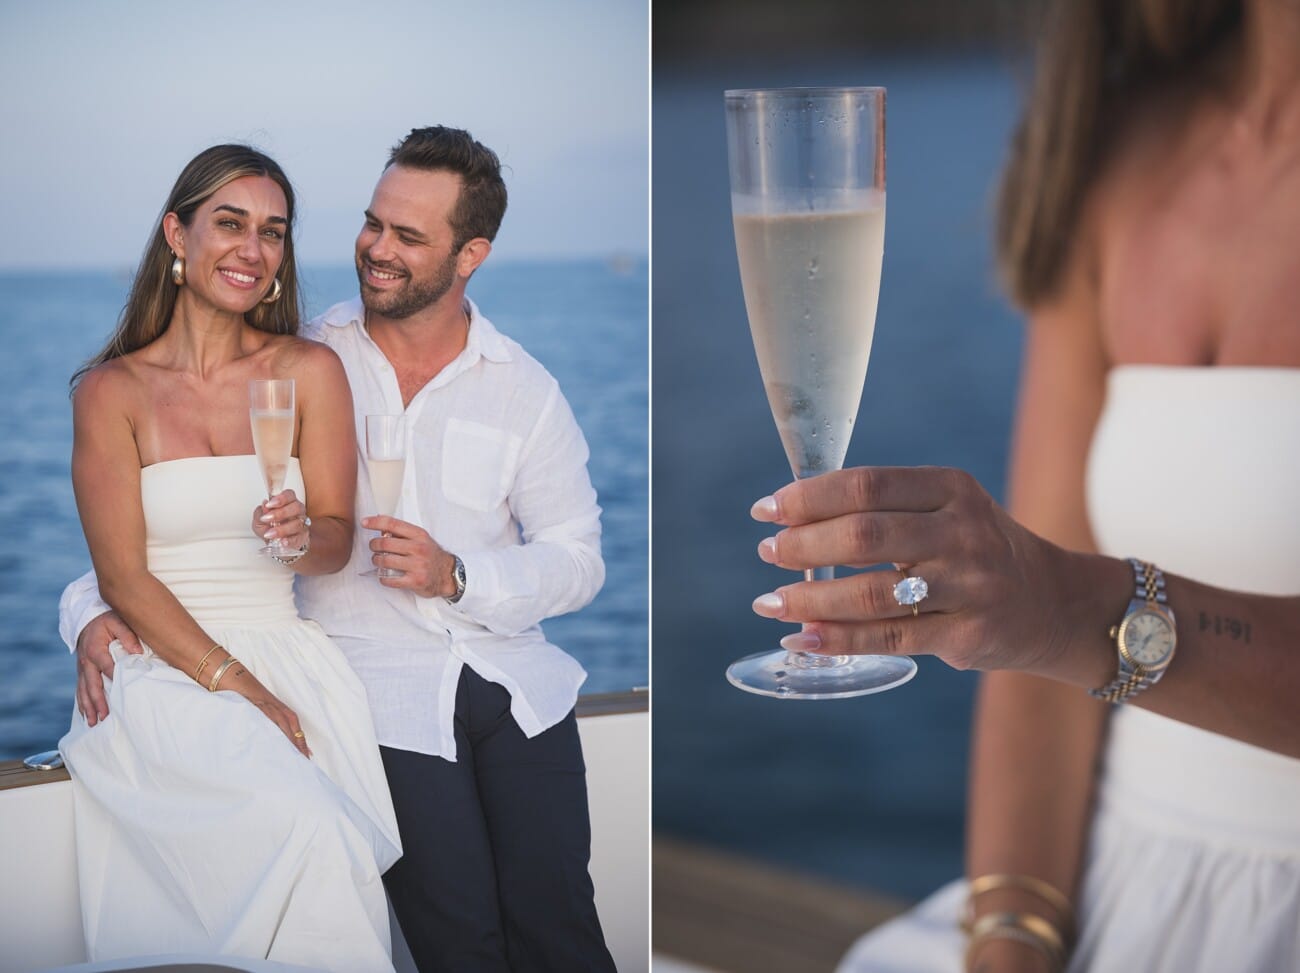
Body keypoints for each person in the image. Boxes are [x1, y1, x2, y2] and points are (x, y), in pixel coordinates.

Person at [741, 1, 1300, 971]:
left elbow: (1050, 613)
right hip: (1111, 891)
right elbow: (1036, 683)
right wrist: (1012, 934)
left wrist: (1080, 610)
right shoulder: (1118, 146)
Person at [63, 126, 616, 973]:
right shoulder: (317, 353)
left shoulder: (523, 389)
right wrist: (86, 611)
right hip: (376, 686)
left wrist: (458, 574)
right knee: (461, 944)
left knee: (564, 930)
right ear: (178, 234)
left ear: (470, 255)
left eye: (408, 236)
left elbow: (579, 558)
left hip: (514, 680)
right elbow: (147, 548)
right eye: (373, 223)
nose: (377, 250)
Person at [58, 144, 402, 970]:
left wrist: (297, 538)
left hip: (289, 657)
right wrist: (238, 684)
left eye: (273, 232)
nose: (253, 249)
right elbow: (121, 577)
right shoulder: (112, 392)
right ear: (177, 234)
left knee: (327, 857)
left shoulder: (308, 371)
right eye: (230, 223)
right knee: (314, 834)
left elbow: (334, 540)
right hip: (166, 672)